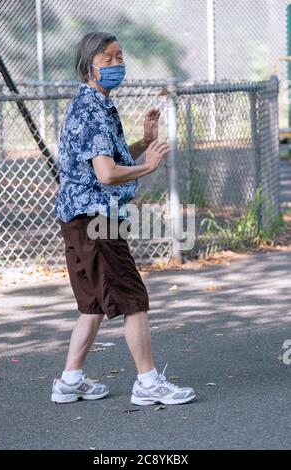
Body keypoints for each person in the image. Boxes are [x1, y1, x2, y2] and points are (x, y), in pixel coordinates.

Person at [51, 31, 197, 406]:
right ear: (88, 67)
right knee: (133, 299)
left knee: (93, 304)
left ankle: (69, 381)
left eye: (120, 57)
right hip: (96, 220)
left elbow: (108, 158)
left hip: (78, 219)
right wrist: (147, 167)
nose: (117, 64)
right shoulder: (92, 109)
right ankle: (148, 383)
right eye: (108, 58)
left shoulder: (95, 105)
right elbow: (106, 174)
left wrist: (143, 141)